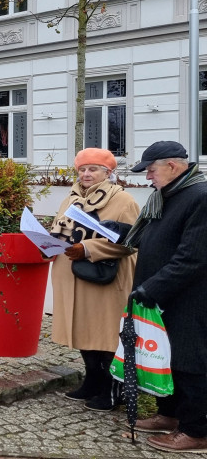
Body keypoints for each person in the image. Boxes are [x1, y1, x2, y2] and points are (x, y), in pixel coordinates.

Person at [112, 141, 207, 453]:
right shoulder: (166, 195)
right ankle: (169, 415)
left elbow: (192, 258)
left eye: (151, 170)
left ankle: (195, 431)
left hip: (188, 298)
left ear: (173, 166)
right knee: (167, 358)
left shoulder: (199, 196)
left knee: (189, 362)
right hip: (164, 296)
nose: (147, 177)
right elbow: (153, 238)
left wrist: (151, 288)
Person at [47, 148, 138, 412]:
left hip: (104, 278)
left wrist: (88, 249)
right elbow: (60, 231)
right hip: (71, 276)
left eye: (93, 169)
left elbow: (131, 243)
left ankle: (113, 388)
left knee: (106, 333)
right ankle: (92, 380)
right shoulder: (71, 198)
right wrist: (46, 244)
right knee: (82, 330)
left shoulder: (124, 201)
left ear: (108, 173)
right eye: (82, 169)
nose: (86, 174)